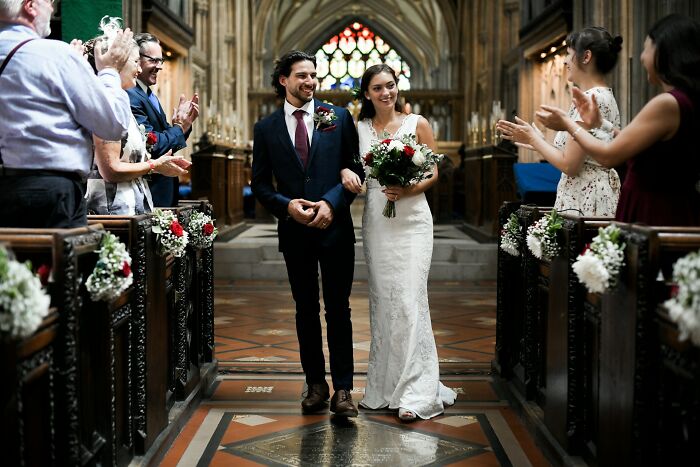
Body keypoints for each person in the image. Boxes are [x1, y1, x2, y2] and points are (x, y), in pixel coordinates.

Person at [251, 51, 364, 417]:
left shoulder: (338, 117)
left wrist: (332, 203)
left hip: (335, 229)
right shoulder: (266, 128)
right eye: (302, 75)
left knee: (338, 310)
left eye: (313, 75)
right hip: (295, 232)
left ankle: (344, 389)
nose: (310, 81)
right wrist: (287, 206)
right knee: (304, 309)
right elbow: (260, 185)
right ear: (283, 80)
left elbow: (354, 170)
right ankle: (315, 384)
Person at [341, 64, 457, 422]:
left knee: (409, 300)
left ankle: (415, 391)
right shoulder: (358, 128)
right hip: (377, 220)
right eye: (378, 88)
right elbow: (349, 166)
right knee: (384, 303)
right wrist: (348, 174)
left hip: (413, 221)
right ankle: (385, 387)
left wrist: (408, 189)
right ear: (367, 93)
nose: (386, 93)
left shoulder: (416, 123)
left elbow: (434, 169)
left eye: (390, 85)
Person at [534, 14, 700, 226]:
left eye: (647, 48)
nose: (641, 57)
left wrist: (567, 124)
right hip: (671, 206)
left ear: (666, 52)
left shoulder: (667, 104)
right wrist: (600, 125)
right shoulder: (685, 101)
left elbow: (608, 156)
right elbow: (634, 146)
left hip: (656, 211)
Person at [0, 0, 134, 228]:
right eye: (49, 1)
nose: (53, 8)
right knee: (58, 262)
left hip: (7, 188)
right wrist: (110, 71)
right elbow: (112, 124)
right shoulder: (55, 55)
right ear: (30, 6)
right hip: (53, 194)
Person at [496, 27, 623, 217]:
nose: (565, 61)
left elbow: (570, 166)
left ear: (586, 56)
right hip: (593, 190)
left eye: (569, 54)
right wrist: (539, 141)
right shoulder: (603, 94)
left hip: (585, 197)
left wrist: (533, 139)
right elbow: (578, 158)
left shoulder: (589, 99)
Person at [82, 19, 190, 216]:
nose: (139, 69)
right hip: (112, 208)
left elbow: (129, 158)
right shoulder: (107, 102)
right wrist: (154, 165)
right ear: (119, 63)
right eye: (135, 62)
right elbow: (111, 170)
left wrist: (160, 167)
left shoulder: (120, 101)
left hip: (133, 205)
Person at [127, 32, 199, 207]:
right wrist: (179, 128)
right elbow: (152, 144)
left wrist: (182, 126)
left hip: (161, 188)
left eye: (161, 61)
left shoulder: (148, 94)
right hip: (150, 189)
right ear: (136, 59)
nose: (159, 67)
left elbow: (167, 139)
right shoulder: (131, 95)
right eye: (154, 60)